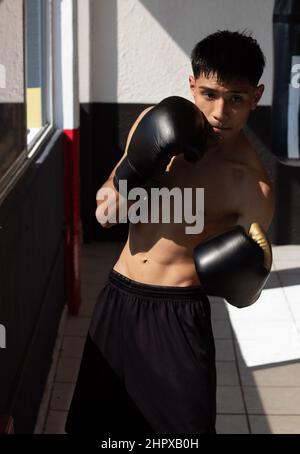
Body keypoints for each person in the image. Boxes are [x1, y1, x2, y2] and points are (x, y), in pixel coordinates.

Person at [65, 30, 275, 434]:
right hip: (117, 299)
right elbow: (106, 214)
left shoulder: (251, 185)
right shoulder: (152, 123)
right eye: (209, 94)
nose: (219, 112)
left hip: (177, 319)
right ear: (191, 85)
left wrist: (248, 277)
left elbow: (244, 294)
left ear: (256, 96)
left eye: (235, 98)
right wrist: (134, 169)